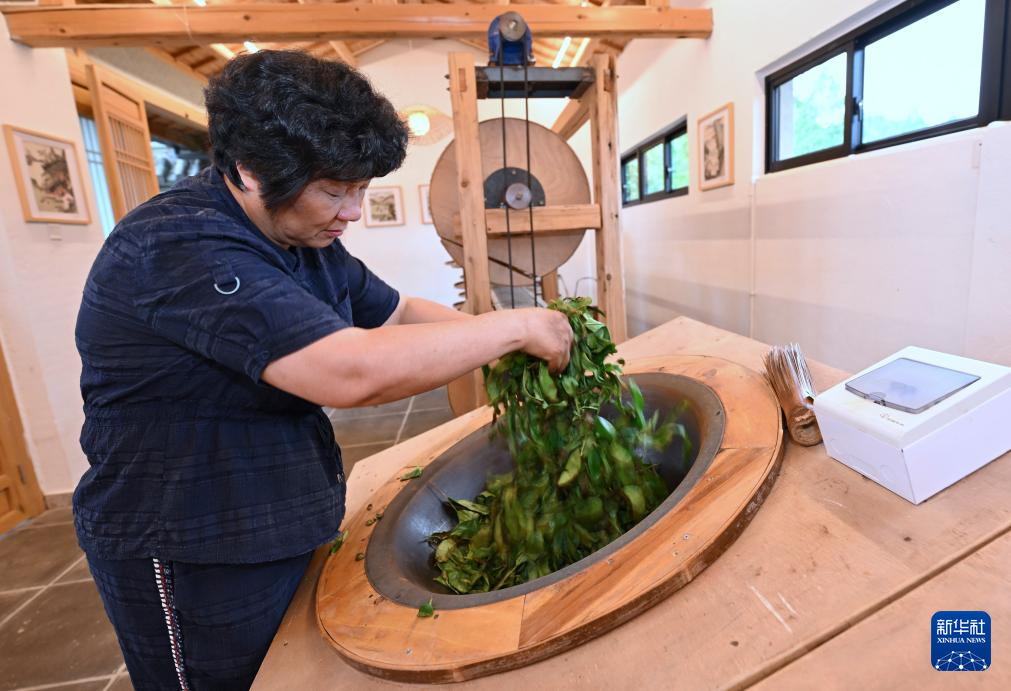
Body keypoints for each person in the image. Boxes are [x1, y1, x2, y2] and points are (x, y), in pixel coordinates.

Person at [74, 50, 572, 691]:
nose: (353, 211)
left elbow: (397, 313)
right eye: (335, 192)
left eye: (360, 190)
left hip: (277, 514)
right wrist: (514, 328)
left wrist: (506, 343)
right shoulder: (177, 244)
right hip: (191, 544)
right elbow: (348, 372)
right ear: (250, 171)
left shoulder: (305, 240)